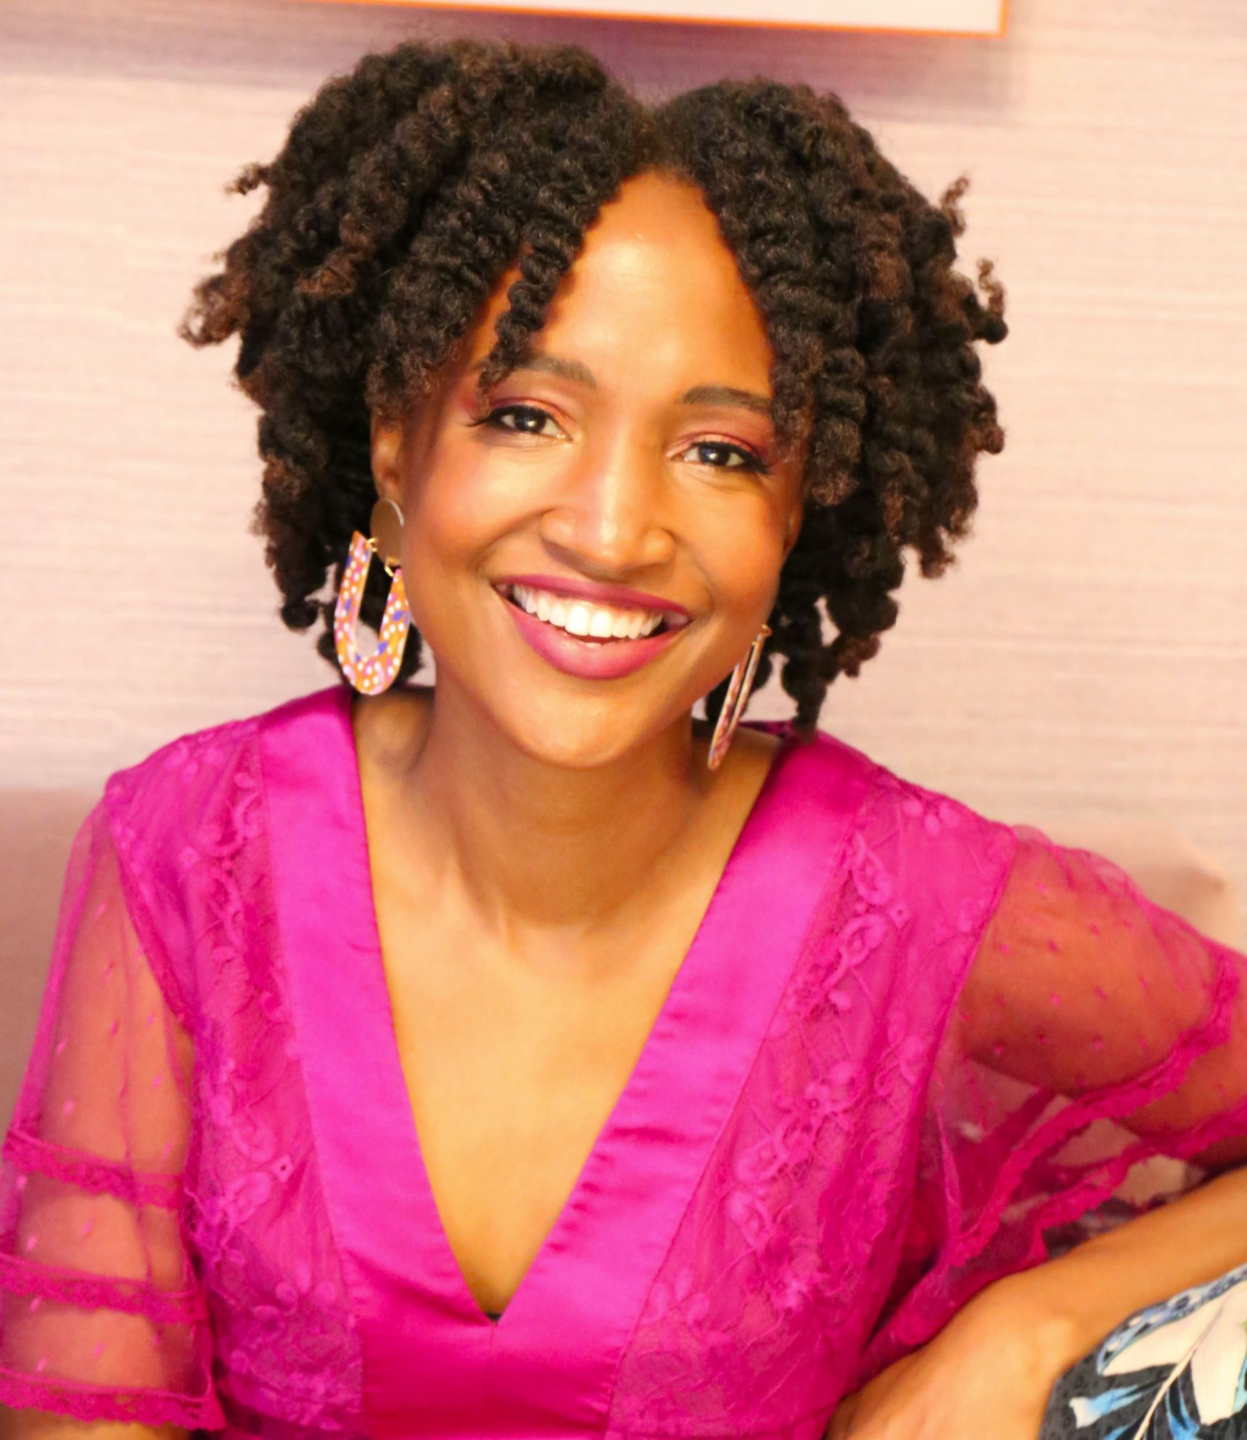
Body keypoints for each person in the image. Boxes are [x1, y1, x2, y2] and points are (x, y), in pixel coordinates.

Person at [1, 35, 1245, 1440]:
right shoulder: (187, 852)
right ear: (398, 445)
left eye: (721, 452)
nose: (611, 531)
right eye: (526, 415)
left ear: (797, 508)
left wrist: (1035, 1331)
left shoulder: (921, 901)